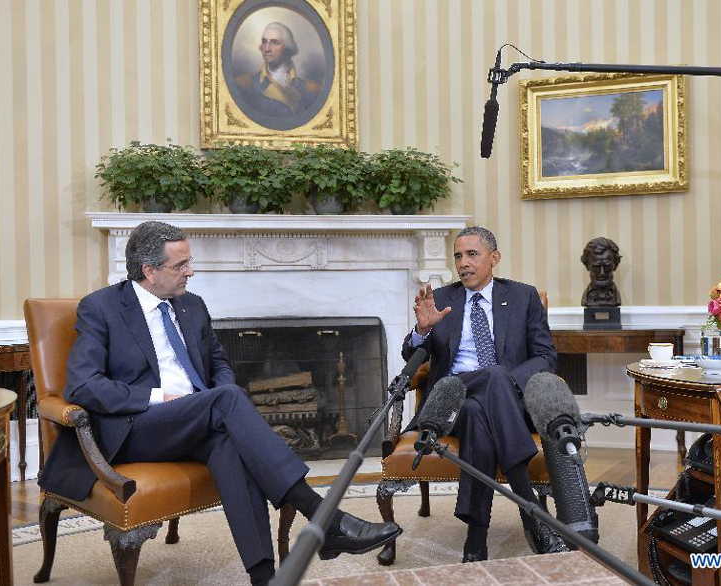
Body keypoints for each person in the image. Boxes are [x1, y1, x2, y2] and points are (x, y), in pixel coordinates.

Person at [38, 221, 401, 585]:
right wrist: (160, 397)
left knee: (227, 441)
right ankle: (325, 517)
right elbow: (83, 386)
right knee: (225, 400)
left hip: (198, 420)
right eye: (180, 266)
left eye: (189, 262)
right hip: (136, 426)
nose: (190, 272)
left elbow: (220, 365)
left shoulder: (192, 306)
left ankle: (265, 577)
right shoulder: (102, 307)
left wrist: (213, 399)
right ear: (149, 271)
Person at [402, 226, 569, 563]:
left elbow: (545, 357)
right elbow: (412, 356)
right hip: (451, 403)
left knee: (483, 405)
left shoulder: (523, 297)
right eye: (458, 256)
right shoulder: (443, 300)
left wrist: (504, 380)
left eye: (472, 254)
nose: (463, 263)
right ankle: (531, 511)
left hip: (505, 400)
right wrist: (422, 331)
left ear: (495, 258)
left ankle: (475, 539)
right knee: (482, 392)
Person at [234, 22, 321, 117]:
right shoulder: (245, 84)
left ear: (287, 47)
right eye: (264, 42)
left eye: (274, 42)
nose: (266, 49)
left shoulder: (312, 89)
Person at [580, 237, 622, 307]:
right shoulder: (586, 299)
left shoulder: (616, 298)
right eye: (596, 267)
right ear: (587, 266)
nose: (602, 273)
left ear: (615, 265)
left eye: (607, 267)